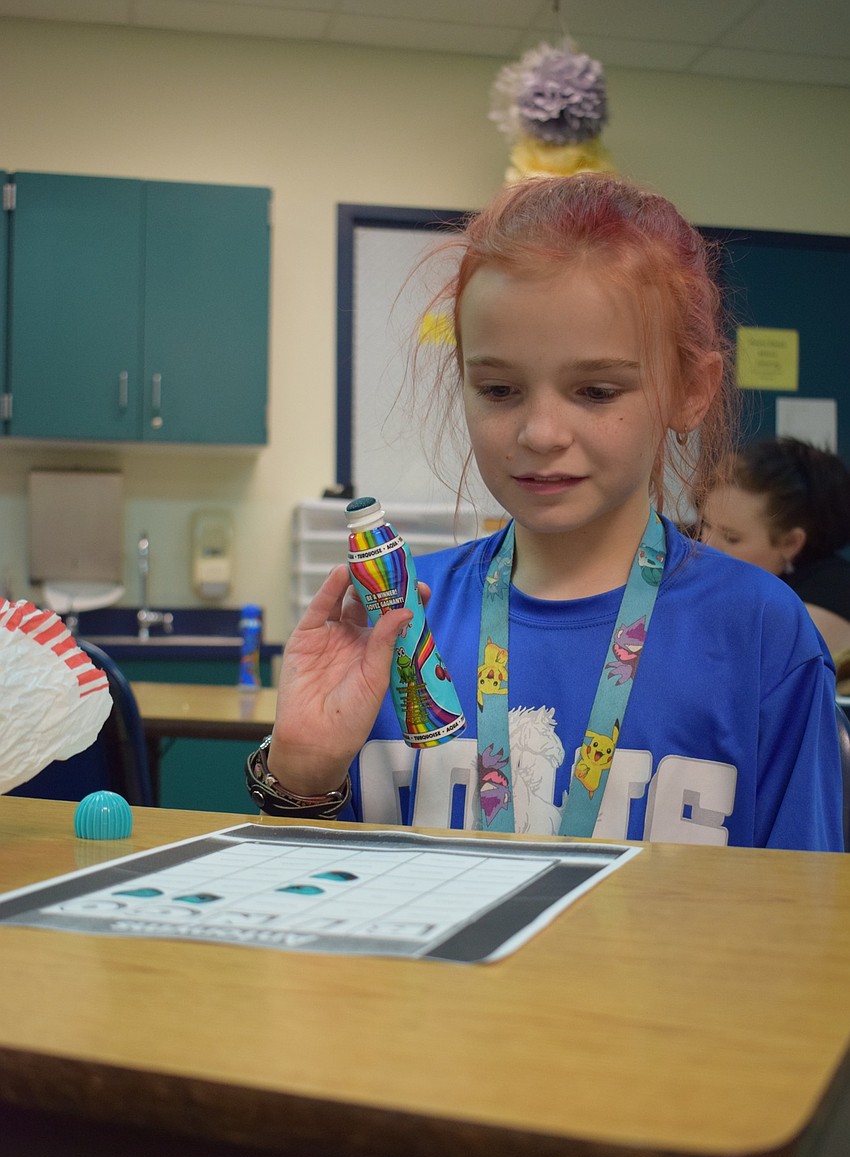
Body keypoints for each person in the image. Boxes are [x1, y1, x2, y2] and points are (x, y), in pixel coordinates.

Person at [248, 173, 843, 852]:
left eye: (594, 389)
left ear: (690, 390)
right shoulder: (399, 622)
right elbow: (309, 911)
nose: (539, 432)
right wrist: (300, 772)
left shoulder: (760, 633)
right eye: (499, 389)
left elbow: (806, 928)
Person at [699, 436, 850, 657]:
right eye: (705, 525)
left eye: (731, 538)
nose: (706, 546)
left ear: (790, 543)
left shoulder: (833, 591)